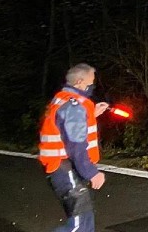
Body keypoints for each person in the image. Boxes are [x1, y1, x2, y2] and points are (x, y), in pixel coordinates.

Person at [38, 63, 109, 232]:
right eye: (91, 82)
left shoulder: (63, 98)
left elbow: (66, 126)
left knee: (85, 221)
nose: (93, 86)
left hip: (64, 167)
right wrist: (92, 173)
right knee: (79, 226)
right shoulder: (74, 106)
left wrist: (92, 114)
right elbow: (76, 146)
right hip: (65, 167)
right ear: (79, 82)